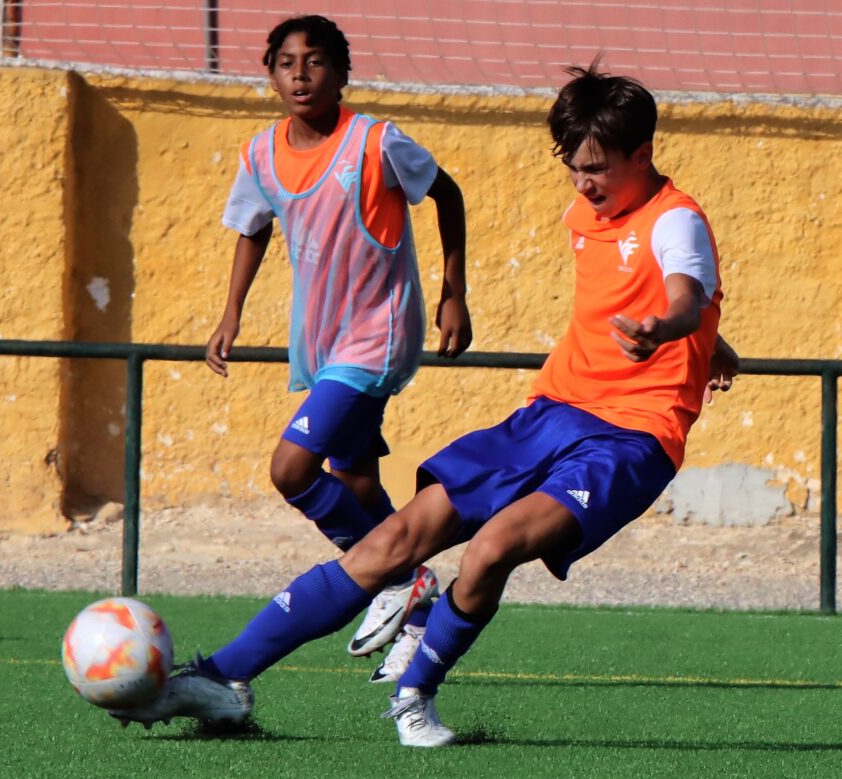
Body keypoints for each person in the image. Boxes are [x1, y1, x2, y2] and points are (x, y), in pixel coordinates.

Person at [111, 61, 740, 746]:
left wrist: (675, 328)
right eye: (572, 168)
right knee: (392, 542)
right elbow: (661, 295)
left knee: (492, 548)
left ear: (642, 154)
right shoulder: (584, 212)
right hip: (550, 412)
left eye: (595, 168)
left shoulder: (677, 222)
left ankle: (414, 699)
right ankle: (222, 678)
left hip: (630, 439)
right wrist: (713, 342)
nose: (583, 183)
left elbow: (680, 291)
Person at [205, 14, 471, 661]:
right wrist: (230, 311)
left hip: (378, 333)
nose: (301, 74)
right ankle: (411, 597)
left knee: (291, 468)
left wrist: (453, 292)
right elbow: (254, 226)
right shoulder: (262, 153)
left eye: (316, 61)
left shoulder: (375, 142)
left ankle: (396, 573)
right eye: (287, 62)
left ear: (342, 74)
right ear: (269, 74)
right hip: (321, 345)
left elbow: (448, 193)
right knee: (352, 481)